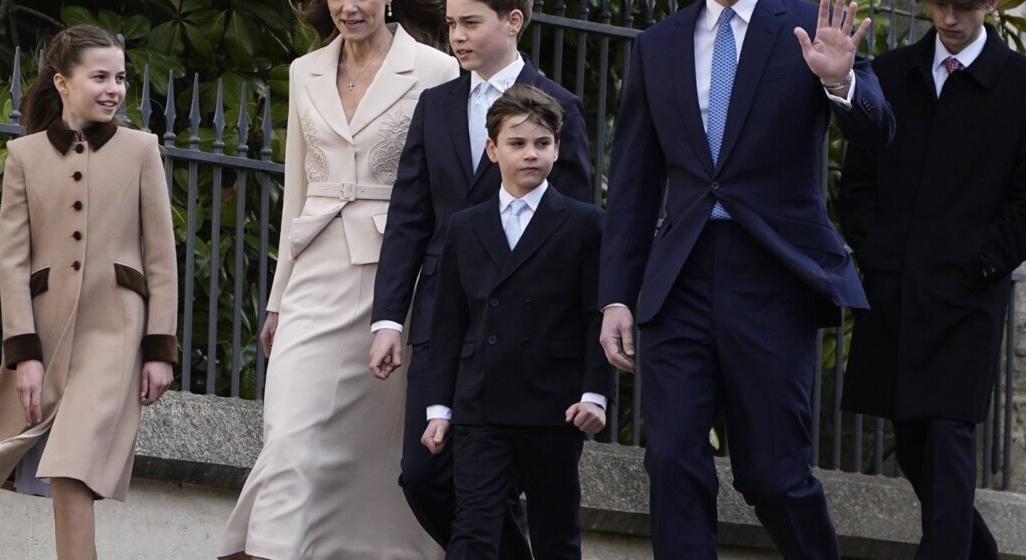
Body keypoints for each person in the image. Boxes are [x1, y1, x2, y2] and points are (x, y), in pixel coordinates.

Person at [597, 0, 895, 556]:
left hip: (771, 277)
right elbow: (634, 183)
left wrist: (841, 82)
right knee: (670, 459)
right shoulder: (657, 44)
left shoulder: (808, 22)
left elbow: (878, 129)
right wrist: (616, 296)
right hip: (679, 275)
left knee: (773, 475)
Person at [215, 1, 457, 558]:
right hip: (314, 274)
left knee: (373, 458)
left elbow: (443, 193)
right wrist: (276, 300)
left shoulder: (437, 70)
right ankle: (271, 547)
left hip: (397, 283)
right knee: (289, 435)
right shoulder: (305, 71)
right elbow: (296, 192)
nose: (349, 6)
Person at [368, 0, 592, 552]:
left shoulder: (561, 106)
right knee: (423, 475)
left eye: (471, 23)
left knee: (530, 494)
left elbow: (578, 229)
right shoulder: (436, 105)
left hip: (533, 338)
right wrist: (389, 317)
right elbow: (410, 215)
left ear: (513, 21)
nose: (456, 37)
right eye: (451, 24)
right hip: (447, 325)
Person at [0, 25, 179, 560]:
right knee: (61, 478)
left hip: (116, 331)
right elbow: (12, 262)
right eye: (99, 76)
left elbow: (162, 258)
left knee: (72, 467)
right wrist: (23, 356)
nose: (114, 89)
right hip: (48, 334)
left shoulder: (141, 150)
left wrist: (159, 349)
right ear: (62, 81)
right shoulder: (24, 156)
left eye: (121, 78)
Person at [838, 0, 1026, 555]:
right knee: (917, 443)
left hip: (968, 296)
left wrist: (983, 261)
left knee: (948, 435)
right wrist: (880, 255)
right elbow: (857, 182)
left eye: (964, 5)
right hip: (896, 290)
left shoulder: (1019, 84)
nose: (950, 18)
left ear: (989, 4)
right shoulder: (892, 72)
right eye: (941, 4)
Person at [422, 84, 614, 560]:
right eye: (517, 143)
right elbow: (448, 322)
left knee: (556, 535)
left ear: (558, 149)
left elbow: (600, 316)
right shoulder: (464, 226)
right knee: (472, 532)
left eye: (542, 143)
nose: (531, 154)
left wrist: (596, 394)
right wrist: (438, 409)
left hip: (556, 406)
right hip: (481, 403)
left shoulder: (587, 224)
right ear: (492, 150)